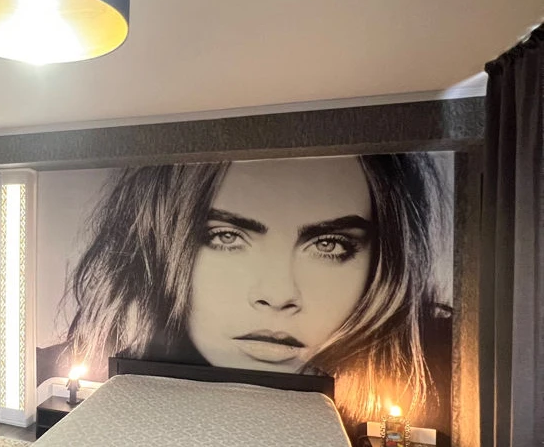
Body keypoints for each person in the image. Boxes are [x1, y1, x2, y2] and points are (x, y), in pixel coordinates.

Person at [41, 154, 451, 425]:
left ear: (381, 265)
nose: (278, 293)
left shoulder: (441, 372)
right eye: (226, 236)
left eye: (329, 245)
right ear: (161, 249)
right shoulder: (69, 358)